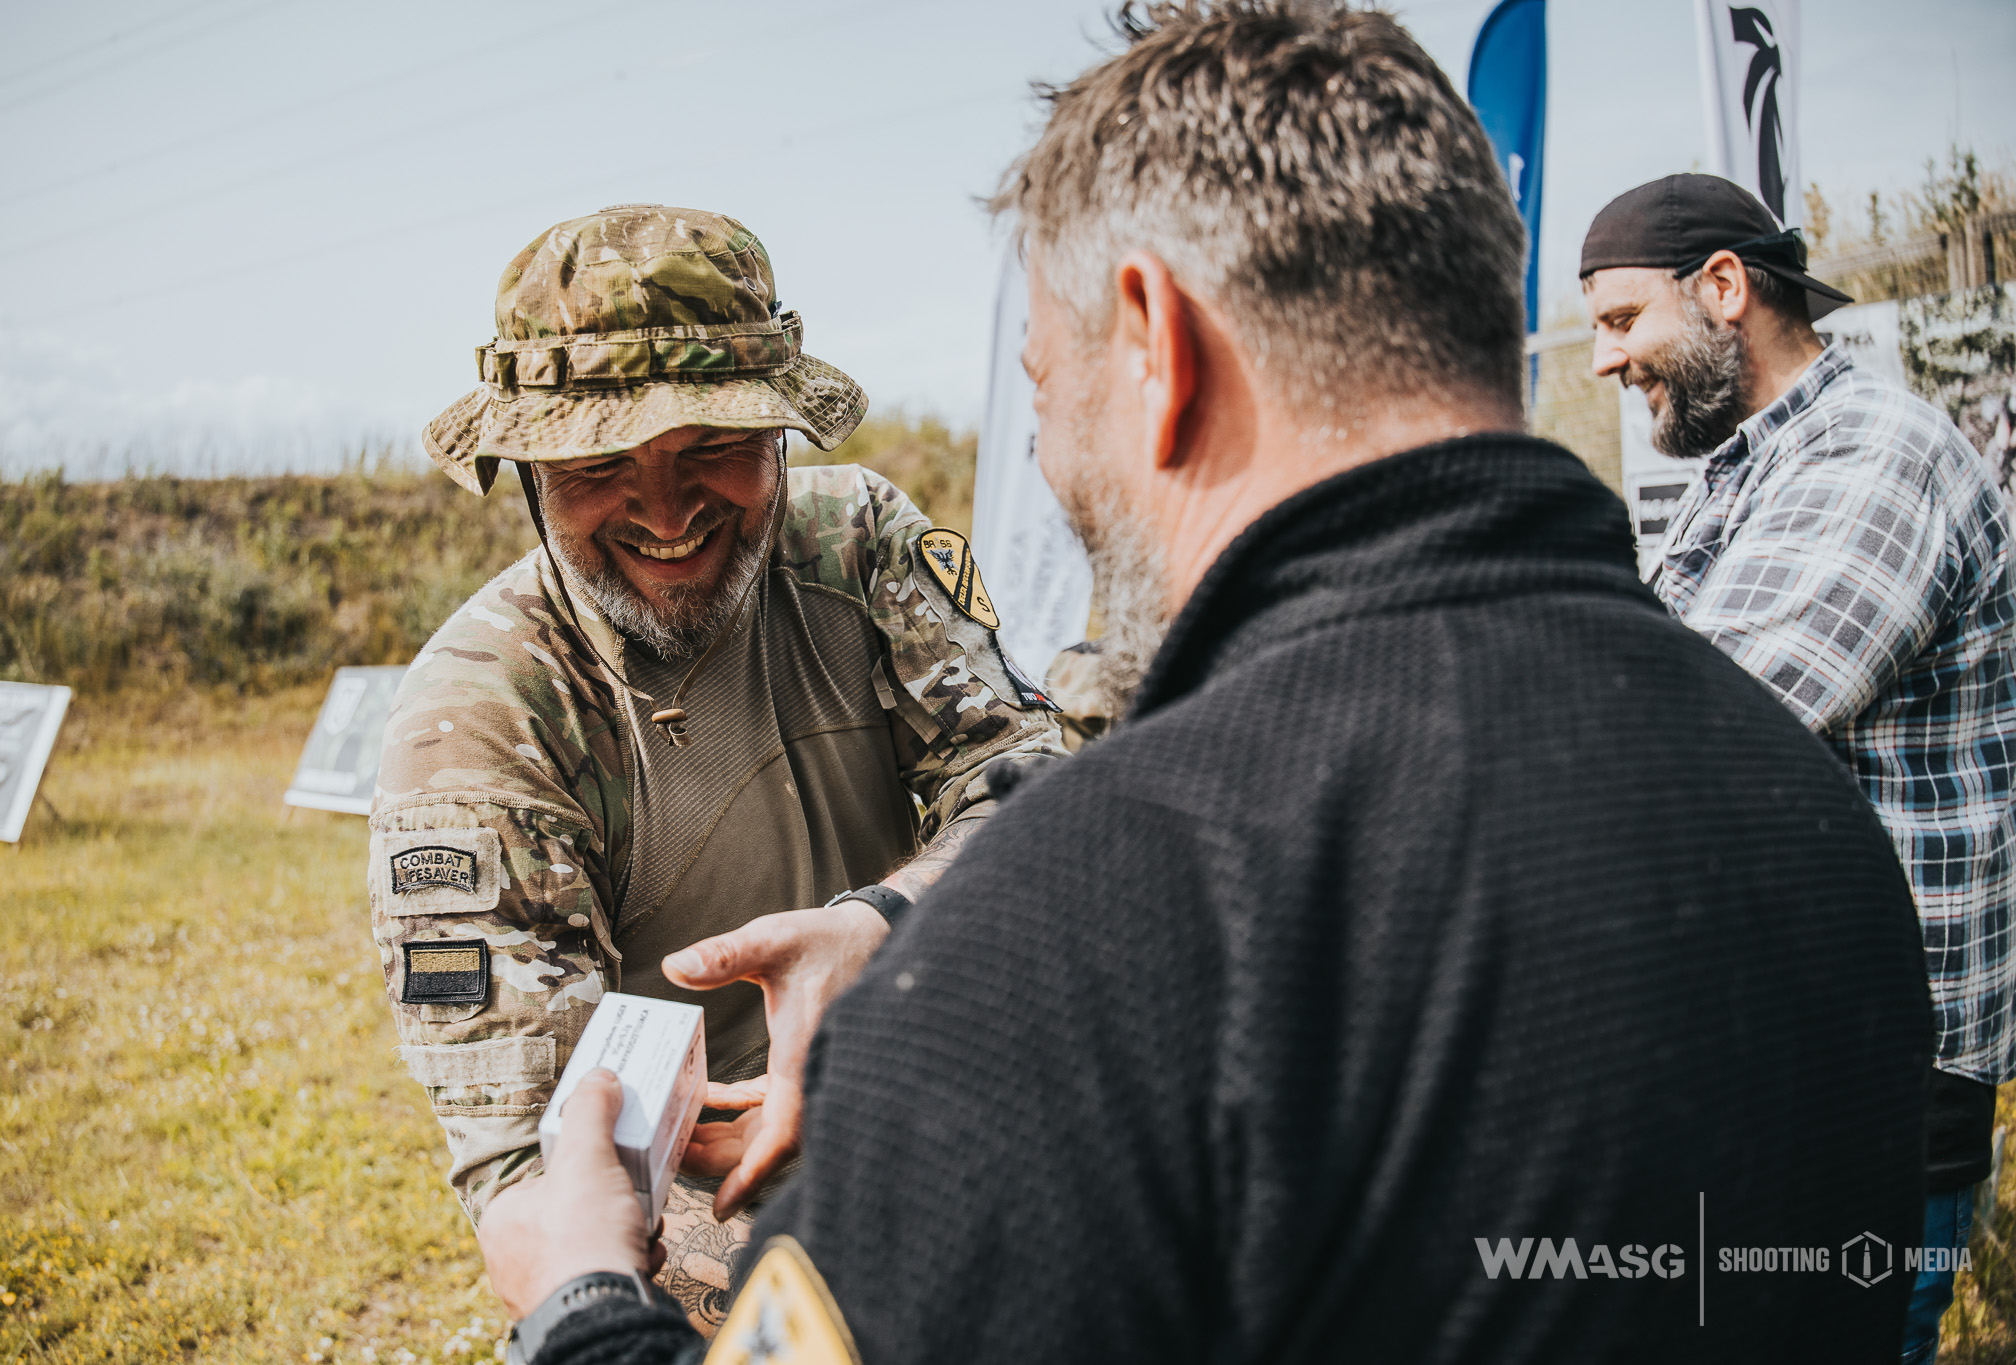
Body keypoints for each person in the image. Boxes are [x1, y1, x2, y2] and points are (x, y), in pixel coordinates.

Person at [477, 5, 1933, 1361]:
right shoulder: (1809, 812)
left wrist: (586, 1297)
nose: (1047, 463)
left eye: (1047, 388)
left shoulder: (1095, 921)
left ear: (1157, 344)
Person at [369, 204, 1065, 1331]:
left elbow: (1030, 789)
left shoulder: (857, 549)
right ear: (528, 473)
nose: (665, 509)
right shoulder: (482, 722)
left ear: (783, 436)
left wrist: (883, 923)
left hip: (951, 1096)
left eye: (713, 447)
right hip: (713, 1225)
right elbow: (540, 1197)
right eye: (599, 465)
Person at [1581, 173, 2016, 1365]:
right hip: (1779, 1044)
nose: (1603, 362)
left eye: (1620, 322)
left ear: (1722, 288)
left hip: (1871, 1072)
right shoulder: (1747, 463)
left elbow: (1706, 726)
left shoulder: (1875, 457)